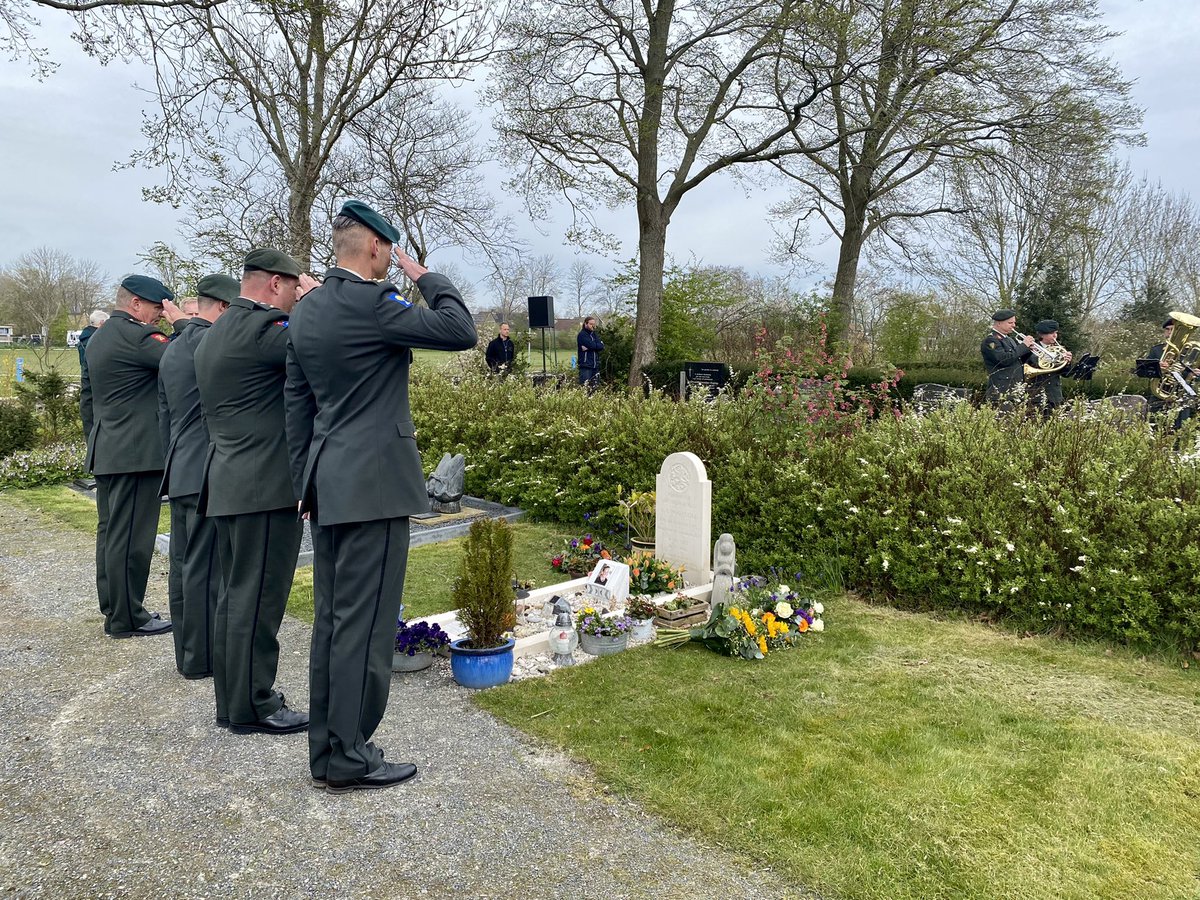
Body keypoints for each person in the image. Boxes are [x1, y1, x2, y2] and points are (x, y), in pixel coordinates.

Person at [285, 200, 477, 793]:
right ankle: (349, 756)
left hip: (330, 486)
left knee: (333, 622)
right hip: (372, 488)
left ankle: (329, 748)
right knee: (366, 626)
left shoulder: (309, 310)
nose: (393, 258)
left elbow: (297, 407)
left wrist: (305, 484)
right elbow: (460, 330)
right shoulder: (374, 304)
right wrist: (426, 278)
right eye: (390, 248)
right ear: (375, 247)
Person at [194, 249, 318, 735]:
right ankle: (255, 704)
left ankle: (234, 702)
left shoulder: (217, 331)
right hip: (264, 487)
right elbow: (318, 348)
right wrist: (318, 302)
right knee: (260, 599)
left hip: (229, 480)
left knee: (235, 596)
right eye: (292, 289)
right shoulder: (266, 332)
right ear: (274, 285)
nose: (293, 298)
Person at [80, 275, 186, 638]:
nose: (160, 314)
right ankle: (128, 618)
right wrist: (182, 322)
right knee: (132, 539)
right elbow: (185, 358)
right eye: (158, 307)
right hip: (137, 454)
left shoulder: (101, 336)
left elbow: (88, 400)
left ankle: (115, 608)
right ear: (137, 303)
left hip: (111, 448)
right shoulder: (137, 336)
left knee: (111, 534)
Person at [157, 274, 237, 680]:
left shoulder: (173, 347)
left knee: (184, 565)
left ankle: (187, 653)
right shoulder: (209, 342)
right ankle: (202, 658)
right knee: (205, 570)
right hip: (206, 468)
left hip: (180, 466)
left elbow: (164, 413)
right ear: (222, 308)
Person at [980, 309, 1033, 404]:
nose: (1014, 325)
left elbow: (1018, 360)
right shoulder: (991, 340)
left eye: (1014, 322)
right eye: (1010, 323)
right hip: (1001, 392)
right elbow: (1004, 360)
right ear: (999, 323)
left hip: (1015, 390)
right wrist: (1023, 346)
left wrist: (1028, 350)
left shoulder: (1009, 340)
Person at [1024, 319, 1073, 411]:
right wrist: (1044, 359)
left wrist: (1067, 363)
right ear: (1042, 335)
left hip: (1055, 395)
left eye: (1056, 333)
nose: (1055, 336)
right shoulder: (1030, 349)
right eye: (1051, 333)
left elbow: (1066, 374)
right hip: (1036, 395)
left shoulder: (1059, 350)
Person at [77, 309, 108, 377]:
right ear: (102, 322)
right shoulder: (98, 339)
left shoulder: (83, 339)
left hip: (86, 378)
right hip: (99, 379)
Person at [577, 316, 604, 389]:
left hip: (595, 365)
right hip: (586, 365)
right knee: (585, 388)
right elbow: (591, 345)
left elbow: (601, 346)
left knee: (595, 388)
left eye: (594, 324)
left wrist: (592, 346)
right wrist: (595, 346)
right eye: (591, 324)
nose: (593, 326)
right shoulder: (582, 335)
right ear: (585, 324)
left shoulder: (594, 335)